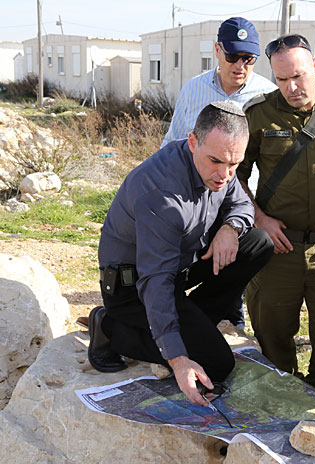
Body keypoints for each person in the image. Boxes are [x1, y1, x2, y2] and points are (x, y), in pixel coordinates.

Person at [88, 102, 273, 406]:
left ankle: (194, 321)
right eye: (216, 162)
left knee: (256, 244)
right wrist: (177, 359)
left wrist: (230, 228)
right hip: (133, 286)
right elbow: (155, 281)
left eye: (234, 164)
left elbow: (242, 206)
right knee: (216, 365)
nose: (225, 175)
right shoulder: (161, 194)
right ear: (192, 142)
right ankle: (110, 326)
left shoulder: (220, 164)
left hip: (179, 267)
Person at [236, 34, 315, 398]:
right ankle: (280, 411)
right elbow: (232, 174)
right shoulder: (258, 114)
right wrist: (258, 218)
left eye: (298, 76)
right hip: (277, 252)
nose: (291, 87)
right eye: (281, 79)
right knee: (272, 344)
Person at [161, 17, 276, 148]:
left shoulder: (269, 95)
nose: (240, 65)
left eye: (248, 59)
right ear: (217, 50)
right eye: (232, 56)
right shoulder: (192, 89)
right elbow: (172, 144)